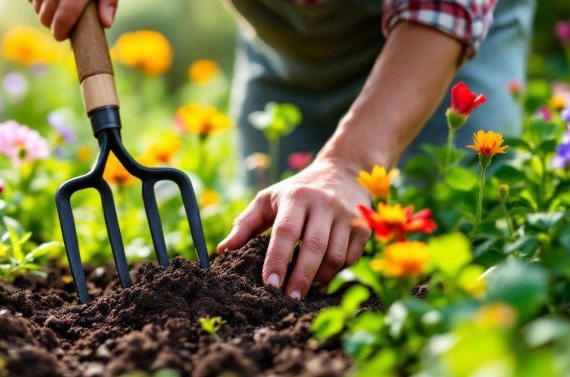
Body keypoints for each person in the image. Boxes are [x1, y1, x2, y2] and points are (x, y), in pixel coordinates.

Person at [28, 0, 535, 299]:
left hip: (441, 45)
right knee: (282, 262)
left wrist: (349, 163)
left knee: (452, 254)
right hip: (284, 53)